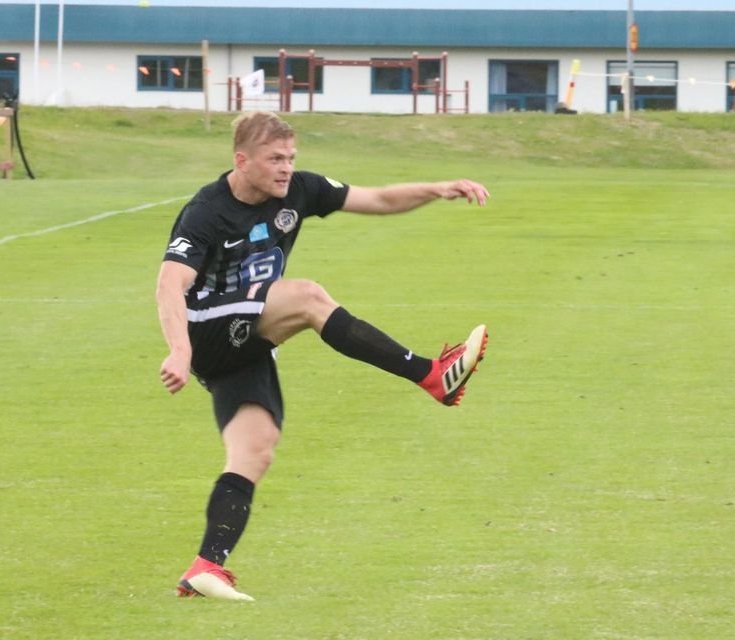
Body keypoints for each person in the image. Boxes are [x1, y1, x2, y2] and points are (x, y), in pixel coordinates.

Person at [156, 111, 490, 602]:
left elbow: (377, 199)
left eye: (291, 157)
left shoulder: (299, 190)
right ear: (242, 160)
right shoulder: (206, 211)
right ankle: (431, 376)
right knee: (308, 297)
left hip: (246, 339)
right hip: (206, 330)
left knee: (255, 449)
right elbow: (170, 283)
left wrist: (438, 188)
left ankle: (207, 565)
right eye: (275, 159)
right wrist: (179, 350)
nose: (286, 168)